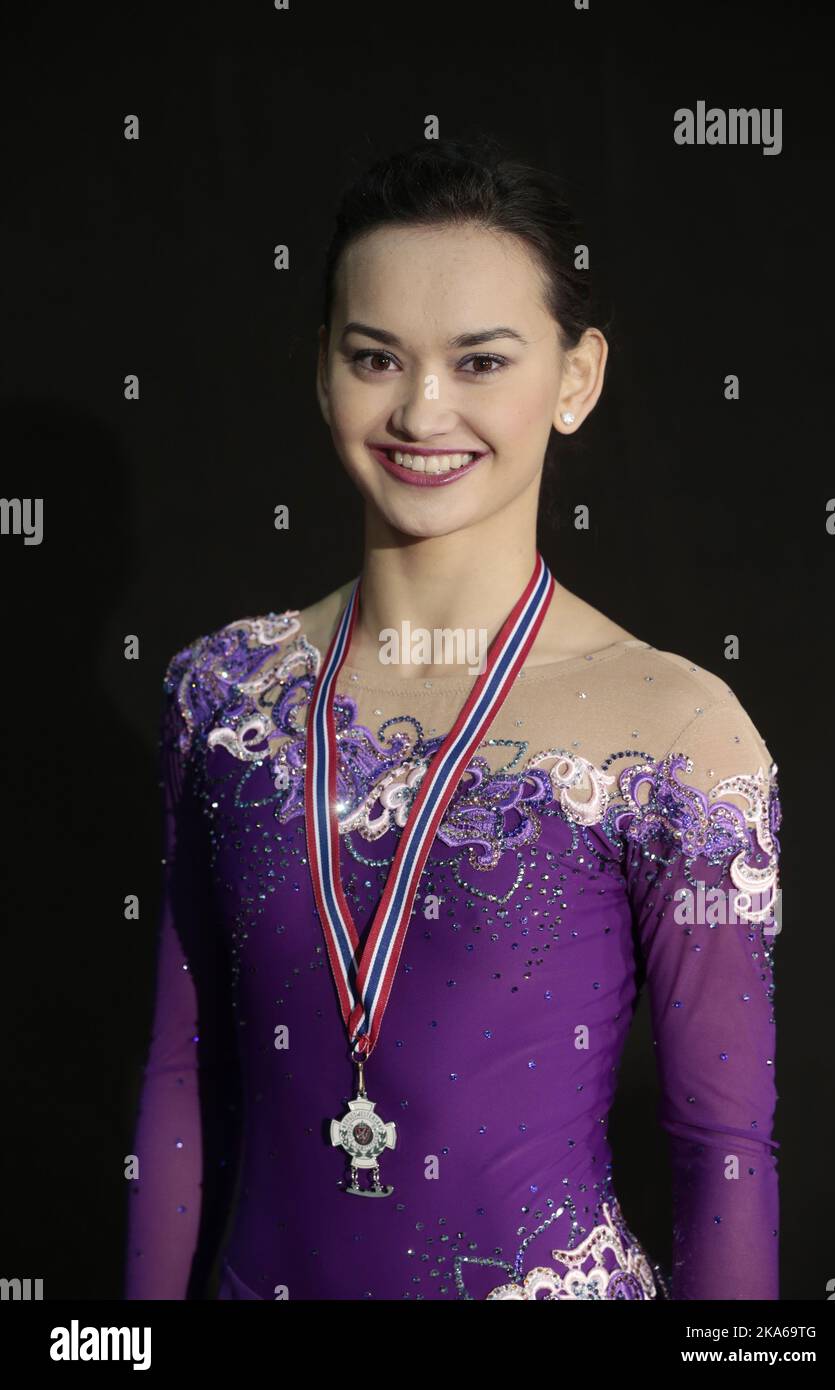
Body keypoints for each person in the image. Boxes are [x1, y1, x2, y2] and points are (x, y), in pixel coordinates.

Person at [124, 136, 782, 1301]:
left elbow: (721, 1148)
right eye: (376, 356)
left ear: (574, 380)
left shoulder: (677, 731)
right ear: (321, 368)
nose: (422, 408)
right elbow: (183, 1075)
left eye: (480, 361)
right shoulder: (222, 696)